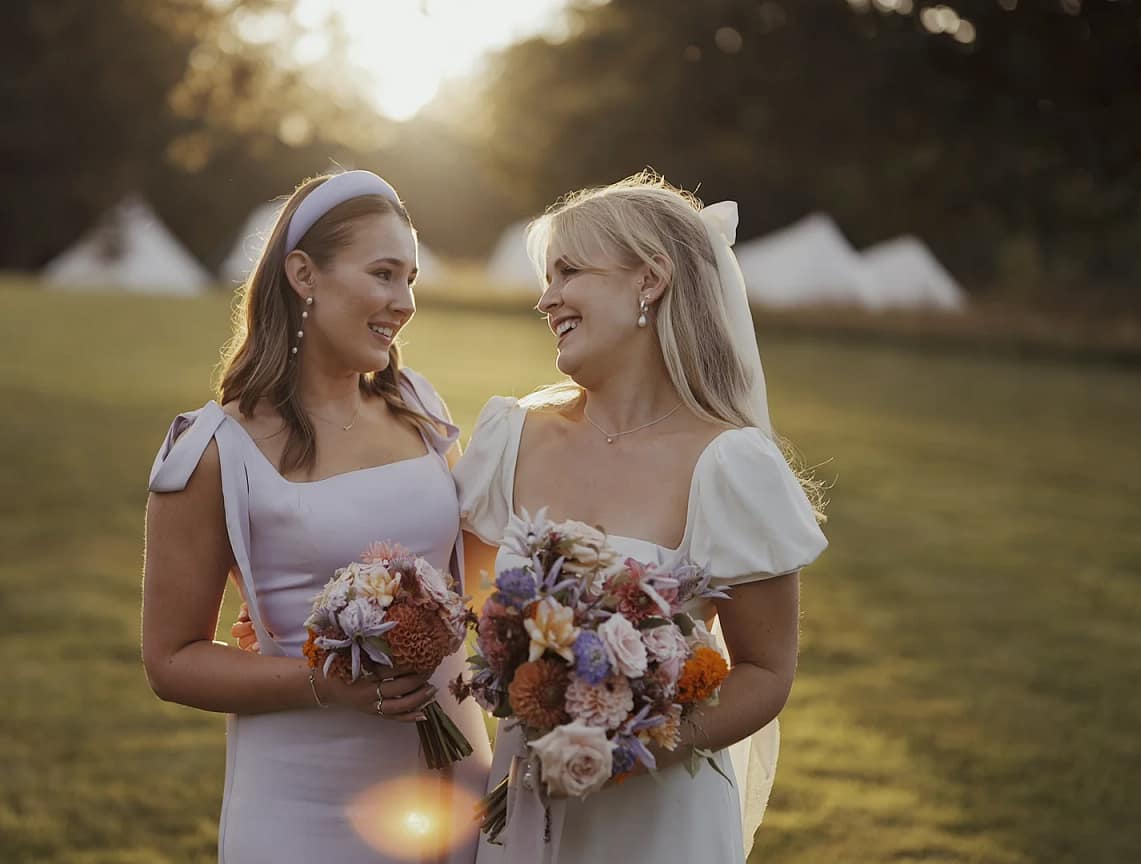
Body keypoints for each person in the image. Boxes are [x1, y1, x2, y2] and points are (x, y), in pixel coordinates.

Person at [455, 171, 828, 863]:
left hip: (662, 822)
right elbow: (465, 615)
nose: (546, 298)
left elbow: (766, 672)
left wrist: (627, 745)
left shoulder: (730, 464)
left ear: (649, 280)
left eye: (568, 271)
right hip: (524, 802)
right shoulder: (510, 437)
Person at [141, 170, 491, 863]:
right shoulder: (213, 449)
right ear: (304, 274)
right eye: (384, 274)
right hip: (306, 807)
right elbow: (171, 660)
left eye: (412, 278)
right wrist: (322, 682)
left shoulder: (420, 407)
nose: (406, 301)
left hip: (455, 790)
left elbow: (470, 578)